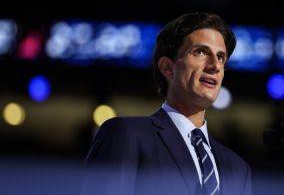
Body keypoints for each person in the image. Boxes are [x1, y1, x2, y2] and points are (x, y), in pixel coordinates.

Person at [81, 12, 252, 195]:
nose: (215, 66)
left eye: (220, 57)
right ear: (167, 68)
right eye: (201, 52)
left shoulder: (238, 169)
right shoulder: (126, 135)